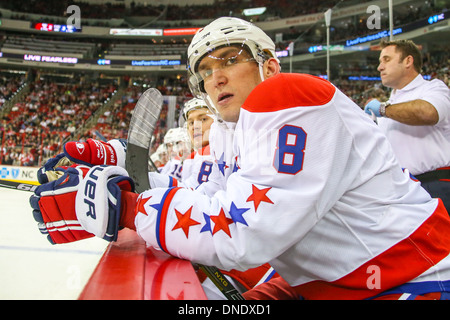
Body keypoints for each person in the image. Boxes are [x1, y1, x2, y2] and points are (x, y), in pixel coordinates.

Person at [31, 17, 450, 300]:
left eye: (230, 60)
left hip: (413, 279)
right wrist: (130, 176)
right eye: (205, 70)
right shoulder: (235, 129)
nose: (215, 77)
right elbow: (209, 196)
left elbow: (241, 231)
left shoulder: (287, 95)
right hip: (338, 283)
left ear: (269, 65)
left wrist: (124, 207)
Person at [364, 39, 450, 211]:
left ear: (408, 61)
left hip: (435, 184)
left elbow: (427, 113)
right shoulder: (389, 105)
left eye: (386, 60)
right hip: (401, 190)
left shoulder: (433, 88)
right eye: (380, 61)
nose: (380, 67)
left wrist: (382, 109)